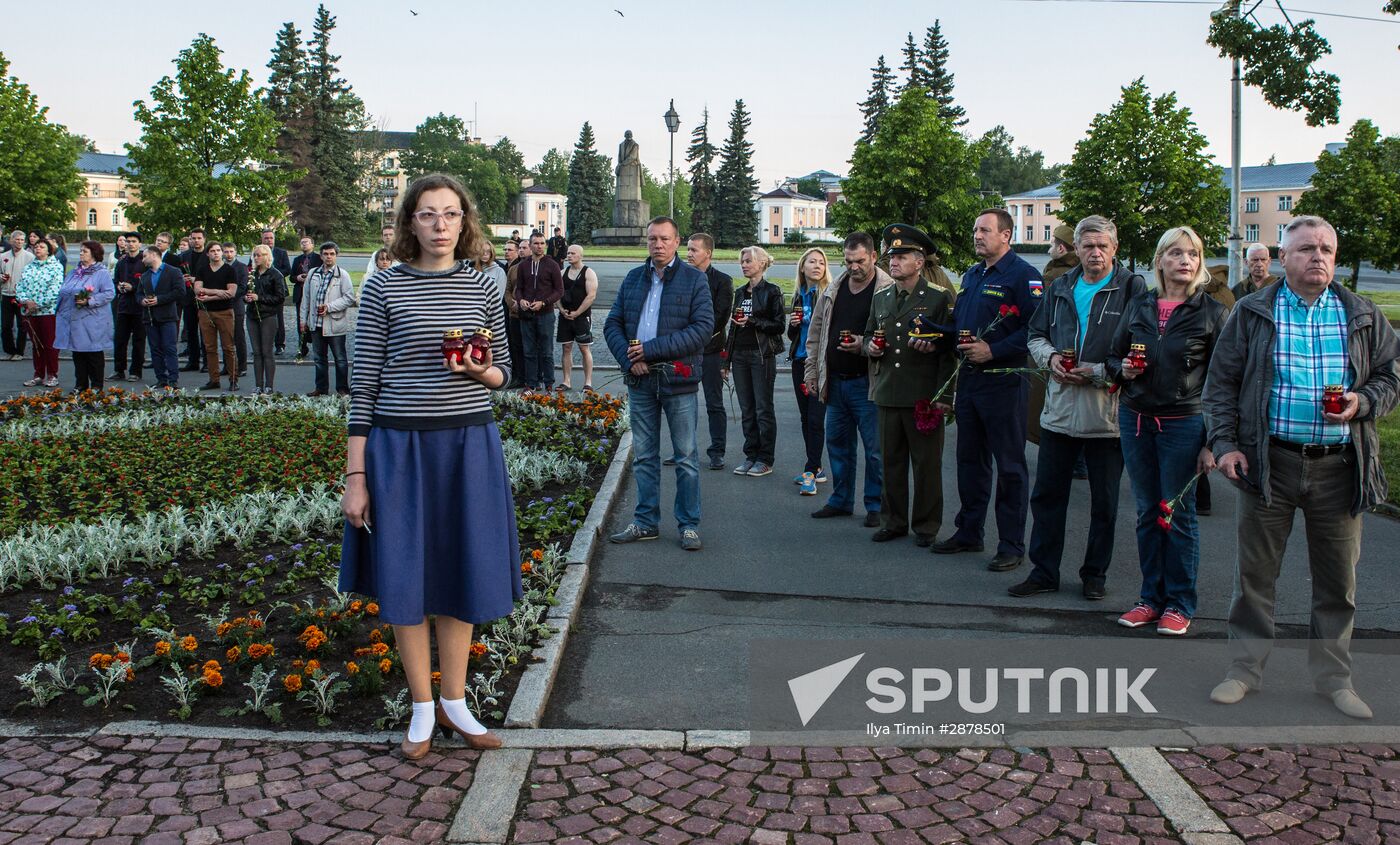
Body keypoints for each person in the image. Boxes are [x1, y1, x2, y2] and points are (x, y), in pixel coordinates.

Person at [340, 172, 518, 759]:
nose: (440, 225)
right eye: (427, 214)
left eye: (450, 214)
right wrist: (356, 476)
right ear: (408, 222)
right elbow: (362, 385)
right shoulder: (383, 287)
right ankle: (421, 707)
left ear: (465, 221)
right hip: (400, 448)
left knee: (460, 571)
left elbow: (504, 373)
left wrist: (478, 371)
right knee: (407, 575)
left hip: (467, 444)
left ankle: (456, 703)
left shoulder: (483, 288)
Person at [1203, 215, 1399, 720]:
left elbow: (1390, 378)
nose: (1318, 257)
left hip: (1340, 466)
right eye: (1307, 248)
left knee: (1338, 583)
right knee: (1254, 577)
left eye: (1327, 249)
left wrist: (1363, 401)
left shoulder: (1361, 314)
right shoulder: (1250, 312)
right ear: (1283, 256)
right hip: (1270, 463)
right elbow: (1221, 385)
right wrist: (1225, 445)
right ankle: (1243, 671)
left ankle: (1334, 678)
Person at [1014, 215, 1146, 599]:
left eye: (1102, 246)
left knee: (1104, 503)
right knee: (1047, 497)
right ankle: (1043, 572)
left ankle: (1094, 575)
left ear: (1115, 248)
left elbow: (1140, 350)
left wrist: (1101, 370)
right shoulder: (1060, 288)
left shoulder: (1132, 289)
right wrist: (1050, 359)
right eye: (1087, 246)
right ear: (1077, 249)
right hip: (1059, 410)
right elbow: (1035, 335)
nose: (1095, 253)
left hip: (1106, 412)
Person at [1105, 226, 1227, 637]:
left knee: (1176, 513)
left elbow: (1225, 381)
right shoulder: (1139, 304)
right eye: (1175, 253)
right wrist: (1120, 369)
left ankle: (1179, 602)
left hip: (1184, 422)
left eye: (1192, 254)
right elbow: (1112, 355)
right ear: (1160, 260)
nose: (1185, 261)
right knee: (1145, 513)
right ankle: (1149, 599)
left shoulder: (1212, 312)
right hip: (1135, 417)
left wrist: (1213, 441)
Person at [932, 209, 1041, 569]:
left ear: (1006, 235)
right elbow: (963, 325)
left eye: (985, 230)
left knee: (1009, 466)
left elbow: (1035, 330)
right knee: (970, 461)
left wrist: (993, 350)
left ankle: (1011, 544)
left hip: (1004, 383)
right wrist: (932, 333)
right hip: (971, 382)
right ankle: (969, 531)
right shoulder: (973, 274)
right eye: (975, 229)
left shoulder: (1024, 277)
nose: (977, 236)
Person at [605, 216, 714, 551]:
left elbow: (701, 330)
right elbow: (612, 324)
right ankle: (646, 522)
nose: (658, 245)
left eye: (665, 239)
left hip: (677, 380)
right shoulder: (635, 278)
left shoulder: (695, 280)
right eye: (652, 239)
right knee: (645, 457)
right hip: (640, 383)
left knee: (685, 456)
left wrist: (648, 352)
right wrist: (629, 359)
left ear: (677, 241)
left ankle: (689, 525)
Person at [863, 224, 957, 546]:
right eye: (891, 256)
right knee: (890, 463)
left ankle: (927, 526)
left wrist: (946, 395)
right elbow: (867, 337)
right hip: (889, 392)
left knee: (926, 465)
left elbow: (949, 351)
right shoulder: (881, 297)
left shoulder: (937, 297)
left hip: (923, 394)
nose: (893, 261)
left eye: (901, 256)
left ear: (919, 262)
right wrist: (870, 349)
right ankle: (893, 521)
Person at [807, 232, 894, 526]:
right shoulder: (835, 287)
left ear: (872, 256)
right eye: (847, 261)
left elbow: (894, 339)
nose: (853, 267)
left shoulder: (887, 289)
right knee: (837, 444)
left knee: (874, 449)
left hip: (867, 383)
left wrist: (863, 345)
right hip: (835, 381)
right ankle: (841, 500)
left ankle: (874, 505)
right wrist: (812, 372)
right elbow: (815, 335)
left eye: (859, 261)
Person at [724, 245, 786, 478]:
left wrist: (752, 321)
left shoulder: (772, 291)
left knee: (763, 409)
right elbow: (733, 328)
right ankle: (750, 455)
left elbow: (779, 326)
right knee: (746, 409)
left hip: (761, 356)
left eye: (749, 261)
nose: (744, 264)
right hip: (739, 355)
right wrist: (726, 361)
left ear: (762, 263)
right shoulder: (740, 292)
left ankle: (765, 458)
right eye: (742, 261)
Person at [1028, 223, 1078, 446]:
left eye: (1053, 243)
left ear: (1061, 249)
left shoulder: (1058, 274)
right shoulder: (1070, 270)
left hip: (1053, 345)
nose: (1050, 247)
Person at [686, 233, 733, 470]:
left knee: (714, 403)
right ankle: (683, 450)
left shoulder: (723, 281)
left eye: (694, 250)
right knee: (683, 403)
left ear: (708, 253)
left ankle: (717, 451)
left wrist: (692, 336)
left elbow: (719, 317)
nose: (689, 254)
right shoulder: (680, 278)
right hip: (683, 353)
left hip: (711, 351)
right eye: (688, 249)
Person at [789, 248, 831, 495]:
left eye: (822, 262)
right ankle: (817, 467)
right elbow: (793, 336)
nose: (817, 266)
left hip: (819, 364)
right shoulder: (799, 295)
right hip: (798, 361)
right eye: (812, 262)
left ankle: (810, 470)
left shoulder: (827, 294)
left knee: (816, 418)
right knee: (806, 418)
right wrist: (793, 326)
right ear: (802, 267)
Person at [54, 241, 116, 392]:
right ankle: (80, 384)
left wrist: (90, 300)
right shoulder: (74, 272)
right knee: (78, 353)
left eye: (85, 251)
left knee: (93, 353)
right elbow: (64, 291)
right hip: (74, 319)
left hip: (92, 319)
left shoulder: (101, 273)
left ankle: (96, 385)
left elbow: (109, 293)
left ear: (94, 254)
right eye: (80, 251)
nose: (81, 253)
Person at [300, 243, 356, 397]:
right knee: (319, 358)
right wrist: (303, 320)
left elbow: (349, 298)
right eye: (326, 254)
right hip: (316, 324)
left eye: (332, 254)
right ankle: (321, 388)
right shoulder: (312, 273)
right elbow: (306, 298)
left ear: (336, 255)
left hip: (334, 323)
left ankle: (343, 389)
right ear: (321, 256)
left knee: (340, 358)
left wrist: (330, 307)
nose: (329, 257)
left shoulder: (342, 274)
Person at [514, 232, 563, 390]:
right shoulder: (523, 265)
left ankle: (549, 382)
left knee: (546, 350)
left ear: (545, 245)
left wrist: (544, 302)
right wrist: (520, 300)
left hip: (546, 314)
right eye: (536, 243)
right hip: (527, 315)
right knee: (528, 351)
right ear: (530, 245)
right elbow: (519, 289)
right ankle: (531, 383)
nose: (539, 246)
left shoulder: (552, 264)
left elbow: (559, 290)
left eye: (542, 243)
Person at [16, 237, 64, 387]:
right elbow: (20, 286)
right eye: (36, 247)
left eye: (42, 247)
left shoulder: (55, 267)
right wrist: (25, 301)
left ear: (49, 250)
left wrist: (37, 304)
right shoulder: (29, 267)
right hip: (30, 312)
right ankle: (38, 374)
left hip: (47, 312)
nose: (38, 249)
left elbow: (55, 291)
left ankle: (52, 374)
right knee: (36, 345)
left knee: (49, 344)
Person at [193, 238, 240, 390]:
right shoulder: (202, 269)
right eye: (212, 251)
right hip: (206, 313)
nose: (216, 253)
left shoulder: (229, 270)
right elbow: (197, 289)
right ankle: (214, 379)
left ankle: (234, 380)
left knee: (228, 347)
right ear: (208, 254)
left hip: (224, 312)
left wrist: (209, 296)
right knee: (210, 348)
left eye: (218, 250)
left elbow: (231, 293)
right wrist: (219, 292)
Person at [138, 245, 183, 389]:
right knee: (155, 349)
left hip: (168, 316)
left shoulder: (173, 271)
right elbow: (138, 294)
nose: (143, 260)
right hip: (150, 318)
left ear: (153, 255)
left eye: (145, 256)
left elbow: (180, 291)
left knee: (170, 348)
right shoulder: (145, 276)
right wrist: (142, 300)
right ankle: (161, 378)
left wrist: (160, 299)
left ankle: (173, 379)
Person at [246, 244, 288, 395]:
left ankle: (269, 385)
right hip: (252, 315)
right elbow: (245, 291)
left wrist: (260, 298)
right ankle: (258, 385)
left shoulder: (275, 274)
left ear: (267, 256)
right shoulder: (251, 274)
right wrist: (247, 298)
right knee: (256, 352)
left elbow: (280, 297)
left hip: (268, 316)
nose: (257, 258)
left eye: (260, 255)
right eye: (255, 255)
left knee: (266, 351)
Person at [557, 244, 598, 391]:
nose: (569, 255)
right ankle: (566, 381)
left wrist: (578, 312)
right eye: (568, 253)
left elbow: (591, 296)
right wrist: (562, 310)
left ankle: (588, 383)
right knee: (566, 348)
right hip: (565, 317)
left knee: (584, 348)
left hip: (582, 318)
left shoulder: (589, 273)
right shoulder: (562, 273)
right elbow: (557, 294)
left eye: (573, 253)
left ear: (580, 256)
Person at [111, 233, 146, 382]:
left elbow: (148, 282)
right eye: (128, 241)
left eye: (133, 241)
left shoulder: (145, 261)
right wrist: (119, 287)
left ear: (139, 244)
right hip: (123, 305)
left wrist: (134, 287)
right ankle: (119, 370)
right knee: (120, 339)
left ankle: (136, 371)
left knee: (138, 341)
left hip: (139, 307)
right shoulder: (121, 261)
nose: (130, 244)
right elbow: (116, 280)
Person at [254, 229, 293, 355]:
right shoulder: (257, 252)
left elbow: (287, 269)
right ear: (262, 239)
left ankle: (280, 344)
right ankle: (262, 345)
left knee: (278, 318)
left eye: (271, 238)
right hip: (260, 291)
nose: (268, 240)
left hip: (276, 289)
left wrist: (272, 275)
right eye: (266, 238)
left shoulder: (281, 253)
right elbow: (251, 268)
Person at [180, 229, 211, 373]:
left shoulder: (209, 255)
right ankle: (193, 361)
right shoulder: (184, 256)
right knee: (191, 331)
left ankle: (207, 362)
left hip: (205, 299)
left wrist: (196, 280)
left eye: (199, 238)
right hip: (188, 299)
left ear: (204, 239)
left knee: (205, 331)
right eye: (193, 238)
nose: (196, 241)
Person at [1, 230, 33, 361]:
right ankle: (9, 350)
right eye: (17, 239)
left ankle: (20, 351)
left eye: (21, 240)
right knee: (6, 325)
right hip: (6, 294)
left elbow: (32, 276)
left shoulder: (29, 257)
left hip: (21, 295)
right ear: (11, 240)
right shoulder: (3, 257)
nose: (19, 242)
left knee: (22, 325)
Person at [291, 236, 323, 362]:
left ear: (312, 245)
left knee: (314, 321)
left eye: (306, 242)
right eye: (302, 242)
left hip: (314, 293)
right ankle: (302, 348)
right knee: (301, 321)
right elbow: (292, 276)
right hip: (300, 292)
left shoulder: (318, 258)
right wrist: (298, 278)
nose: (304, 244)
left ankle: (316, 346)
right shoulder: (297, 259)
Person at [501, 240, 525, 388]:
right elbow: (506, 289)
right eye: (505, 249)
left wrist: (516, 303)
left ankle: (520, 375)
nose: (506, 252)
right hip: (509, 311)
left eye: (510, 249)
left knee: (519, 345)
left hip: (519, 311)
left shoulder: (519, 267)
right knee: (511, 344)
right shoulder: (505, 267)